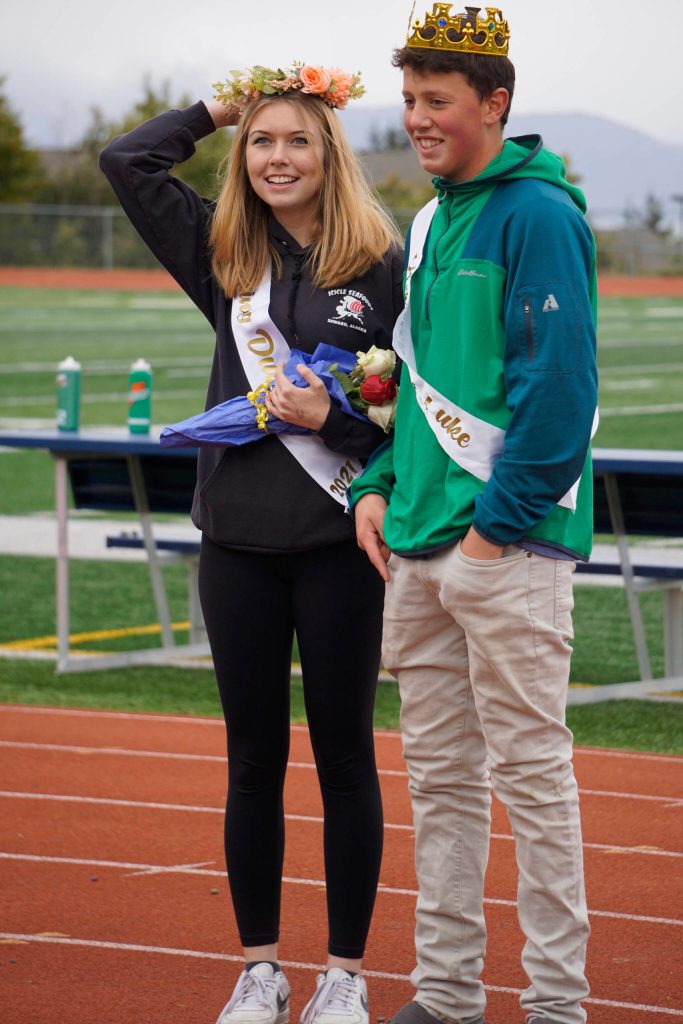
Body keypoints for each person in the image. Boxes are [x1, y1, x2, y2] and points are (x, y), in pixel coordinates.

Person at [100, 61, 404, 1024]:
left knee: (347, 756)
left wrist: (337, 423)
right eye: (261, 141)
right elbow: (126, 159)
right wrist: (220, 107)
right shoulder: (221, 252)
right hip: (234, 538)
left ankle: (345, 974)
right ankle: (260, 970)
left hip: (336, 535)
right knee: (250, 761)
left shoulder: (383, 263)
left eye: (297, 139)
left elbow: (411, 419)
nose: (277, 157)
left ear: (330, 153)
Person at [350, 6, 598, 1024]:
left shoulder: (538, 215)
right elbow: (417, 382)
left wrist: (495, 527)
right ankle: (445, 998)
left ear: (494, 104)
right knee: (440, 786)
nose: (417, 119)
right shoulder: (427, 217)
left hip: (505, 547)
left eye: (437, 102)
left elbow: (558, 391)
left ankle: (553, 1007)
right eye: (409, 101)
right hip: (416, 543)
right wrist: (377, 485)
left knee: (531, 784)